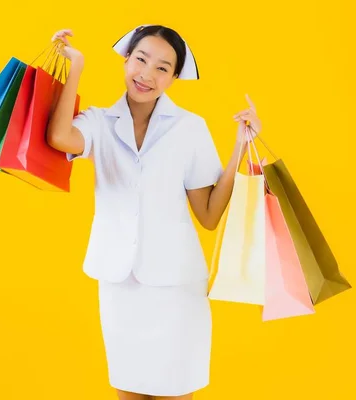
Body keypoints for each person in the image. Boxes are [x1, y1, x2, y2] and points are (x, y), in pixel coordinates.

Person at [46, 25, 263, 400]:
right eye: (141, 59)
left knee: (175, 392)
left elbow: (209, 215)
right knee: (128, 392)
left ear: (174, 77)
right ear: (126, 59)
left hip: (176, 287)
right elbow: (59, 137)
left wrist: (239, 150)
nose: (146, 75)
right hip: (118, 284)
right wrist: (76, 65)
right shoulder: (99, 121)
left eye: (162, 68)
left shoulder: (190, 128)